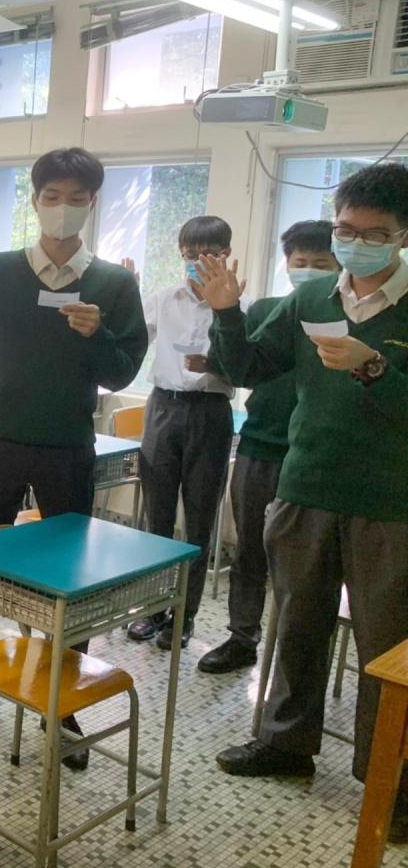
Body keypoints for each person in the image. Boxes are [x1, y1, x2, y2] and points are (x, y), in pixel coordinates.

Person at [202, 163, 408, 844]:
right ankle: (285, 744)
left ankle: (392, 782)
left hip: (390, 505)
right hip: (304, 488)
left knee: (387, 647)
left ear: (403, 236)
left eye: (374, 234)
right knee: (295, 624)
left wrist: (373, 367)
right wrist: (227, 311)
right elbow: (249, 368)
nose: (355, 243)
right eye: (346, 229)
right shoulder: (313, 295)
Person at [0, 146, 148, 760]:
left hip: (68, 447)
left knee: (67, 578)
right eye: (52, 197)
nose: (62, 208)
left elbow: (122, 370)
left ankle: (63, 700)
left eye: (76, 198)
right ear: (35, 200)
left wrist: (96, 333)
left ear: (92, 204)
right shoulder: (0, 270)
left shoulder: (113, 283)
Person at [198, 220, 338, 674]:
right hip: (260, 447)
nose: (309, 270)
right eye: (301, 262)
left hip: (314, 457)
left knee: (308, 566)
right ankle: (242, 638)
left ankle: (296, 654)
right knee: (250, 551)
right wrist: (224, 313)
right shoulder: (267, 311)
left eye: (322, 263)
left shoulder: (349, 318)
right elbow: (234, 366)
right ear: (287, 264)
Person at [126, 216, 236, 651]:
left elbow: (247, 366)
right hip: (163, 409)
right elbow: (129, 337)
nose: (196, 262)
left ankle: (183, 616)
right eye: (189, 255)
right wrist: (125, 295)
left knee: (198, 521)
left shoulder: (238, 307)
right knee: (156, 519)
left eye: (207, 255)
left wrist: (216, 365)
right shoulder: (162, 299)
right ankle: (152, 609)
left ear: (225, 255)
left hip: (210, 412)